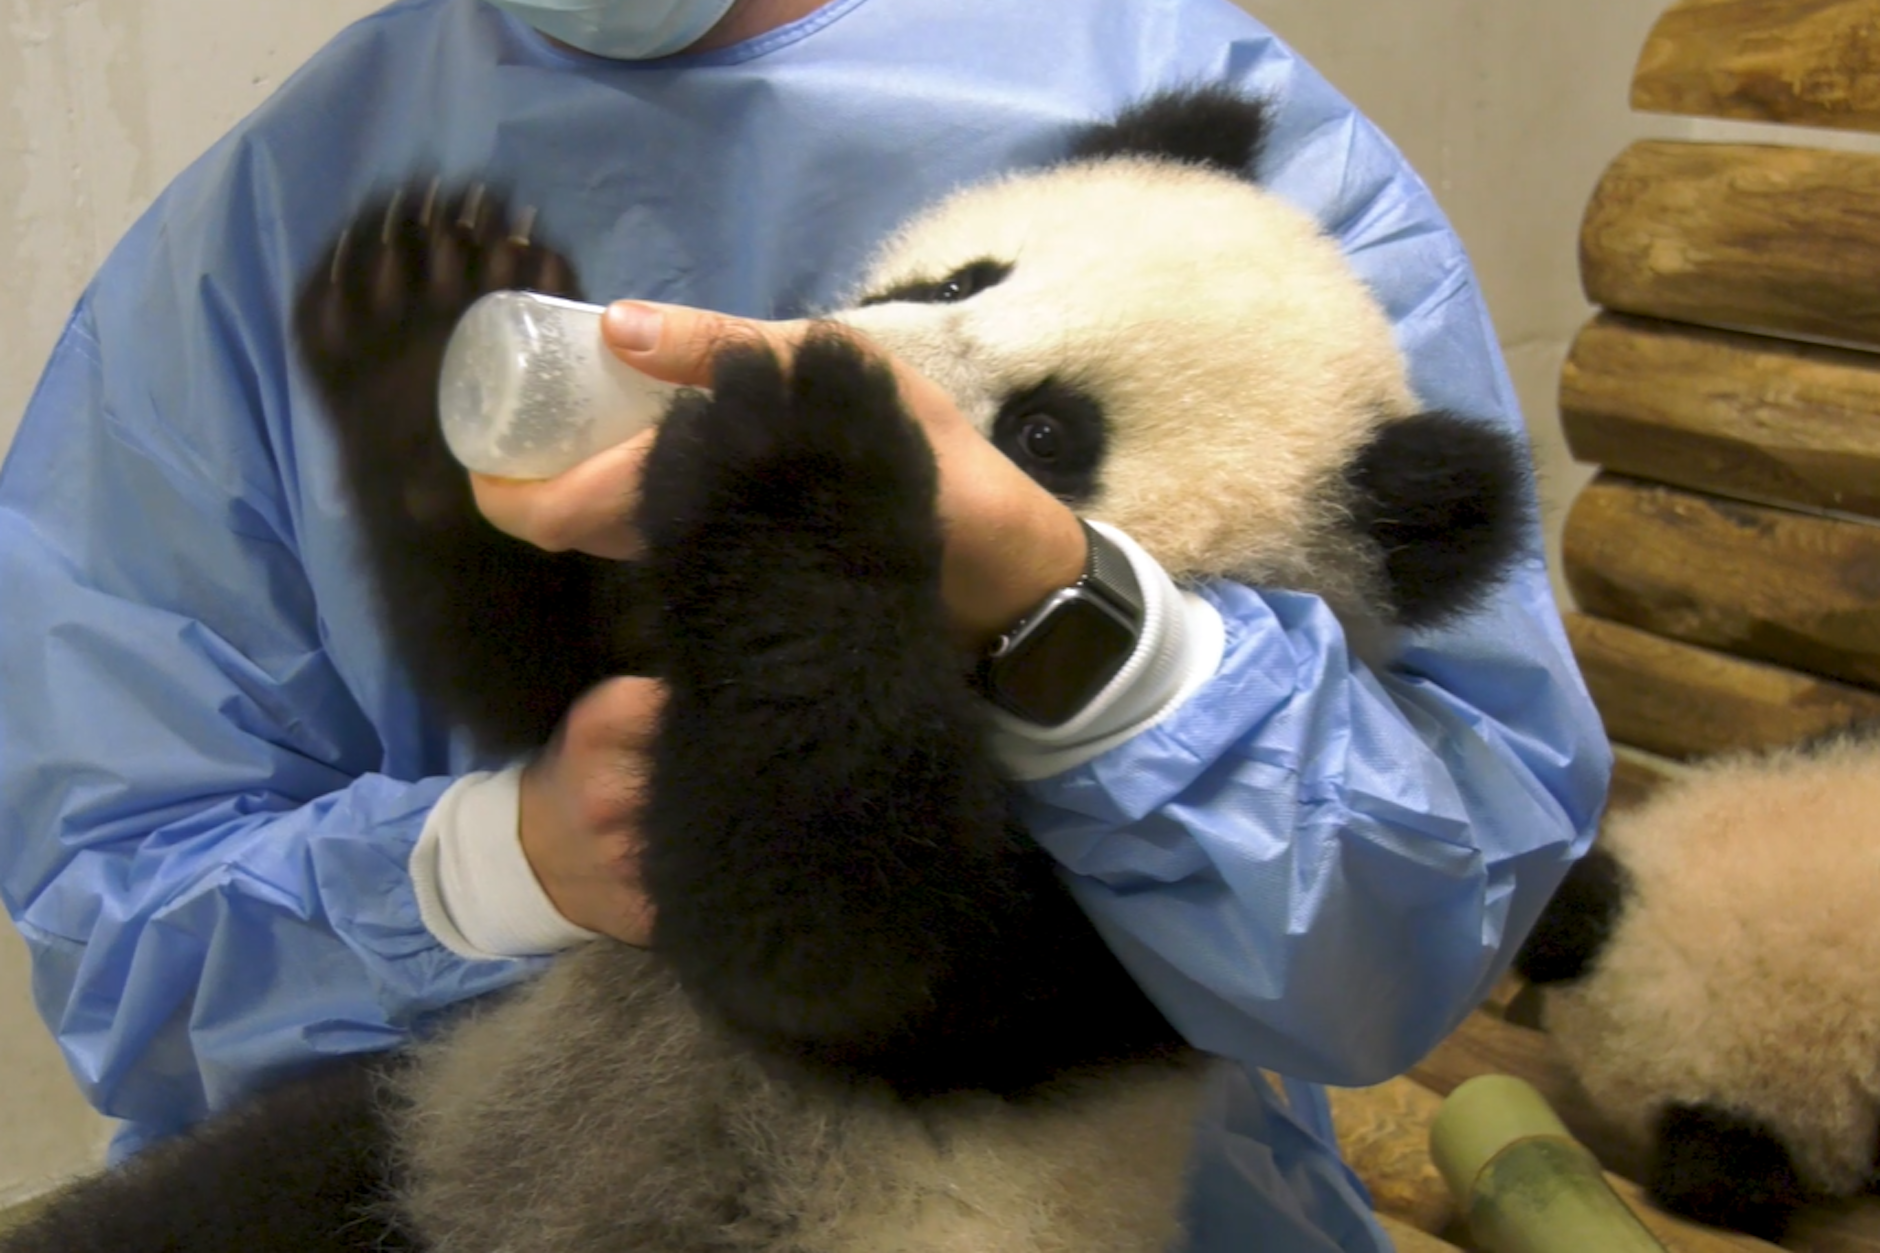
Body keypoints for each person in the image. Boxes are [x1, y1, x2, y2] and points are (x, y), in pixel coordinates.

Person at [0, 0, 1611, 1249]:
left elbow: (1422, 883)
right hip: (500, 1127)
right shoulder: (268, 216)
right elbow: (128, 894)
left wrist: (1064, 602)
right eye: (958, 285)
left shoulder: (1203, 110)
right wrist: (495, 857)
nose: (915, 354)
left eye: (1046, 431)